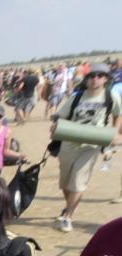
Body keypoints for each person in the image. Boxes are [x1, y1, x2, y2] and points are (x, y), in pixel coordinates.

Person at [51, 62, 122, 232]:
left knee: (78, 181)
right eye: (91, 76)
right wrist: (55, 126)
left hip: (91, 145)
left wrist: (114, 132)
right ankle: (68, 207)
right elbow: (62, 116)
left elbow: (118, 114)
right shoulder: (76, 96)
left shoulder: (110, 96)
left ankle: (68, 217)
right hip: (68, 143)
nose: (95, 79)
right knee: (65, 183)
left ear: (105, 79)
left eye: (99, 76)